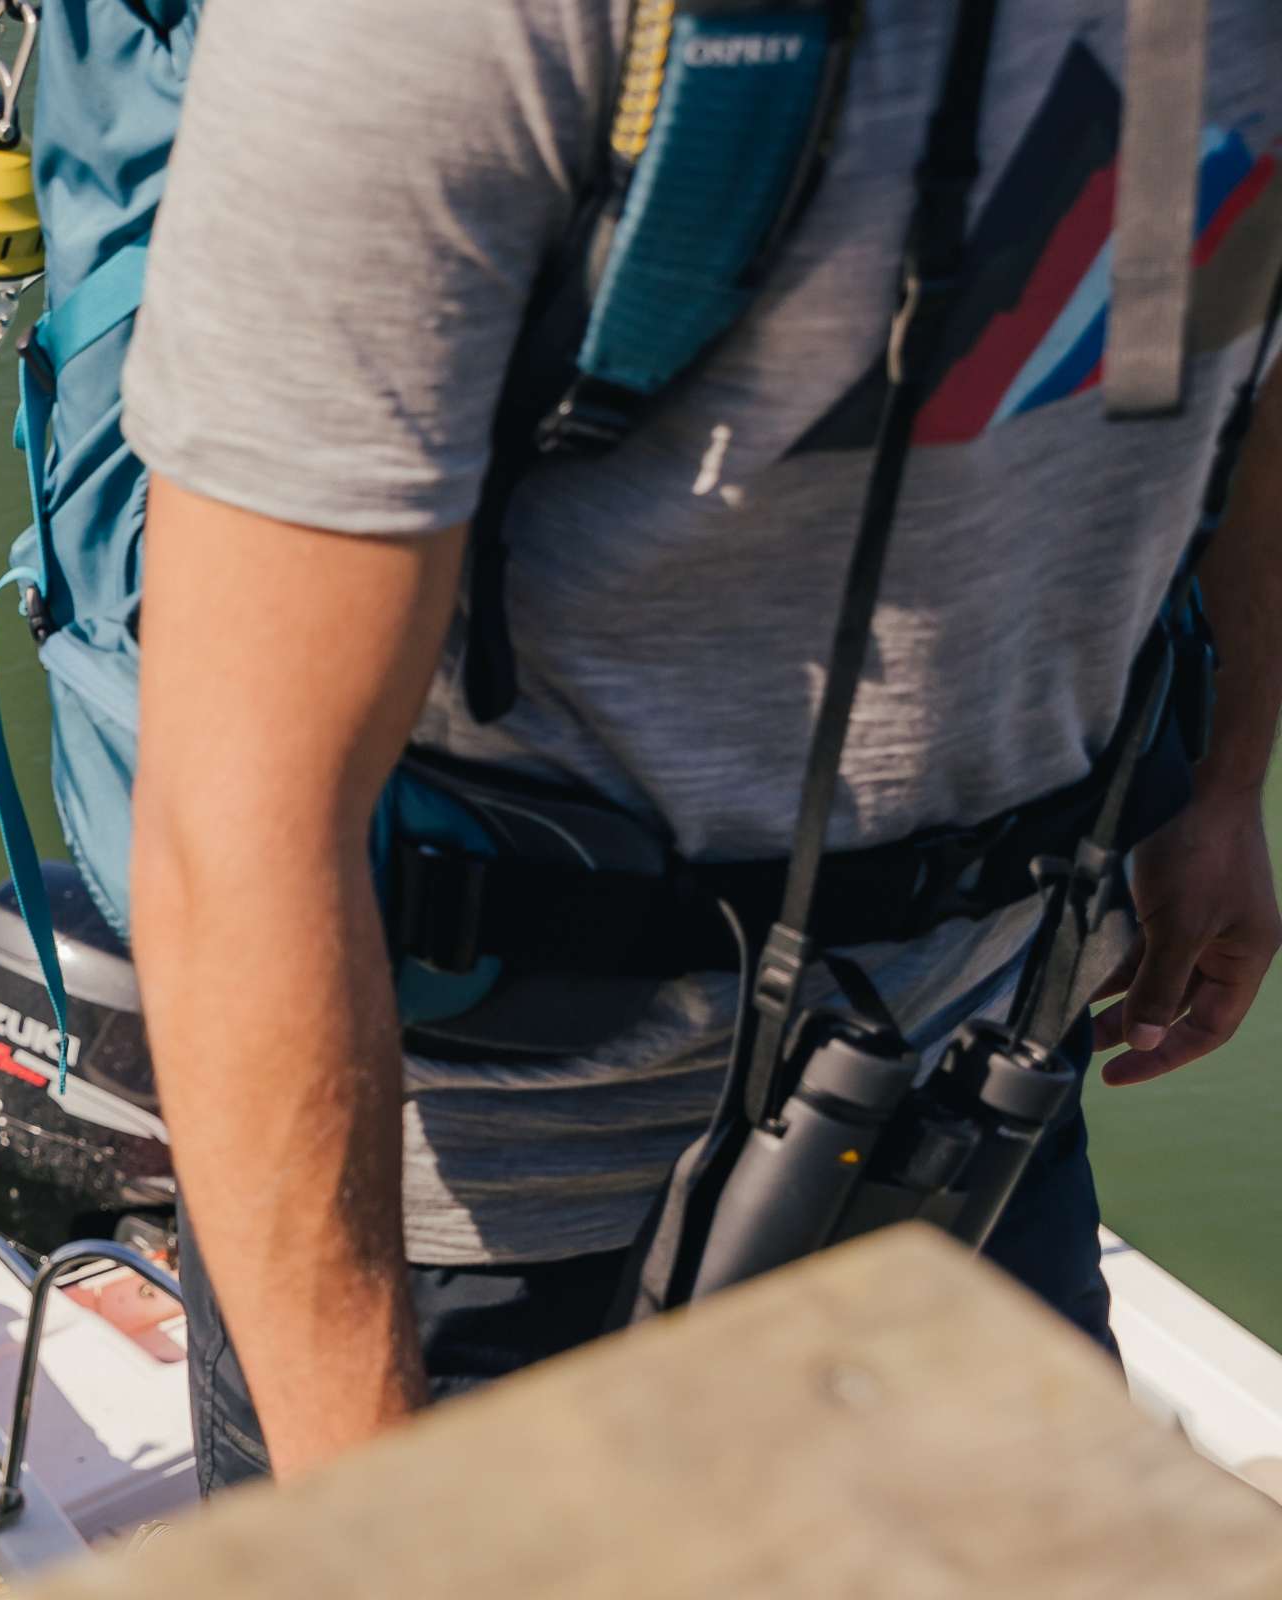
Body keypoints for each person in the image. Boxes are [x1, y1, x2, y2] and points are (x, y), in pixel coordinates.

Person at [119, 0, 1282, 1490]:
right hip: (488, 1238)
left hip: (985, 1110)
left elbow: (1243, 344)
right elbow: (237, 826)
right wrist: (379, 1525)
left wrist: (1227, 778)